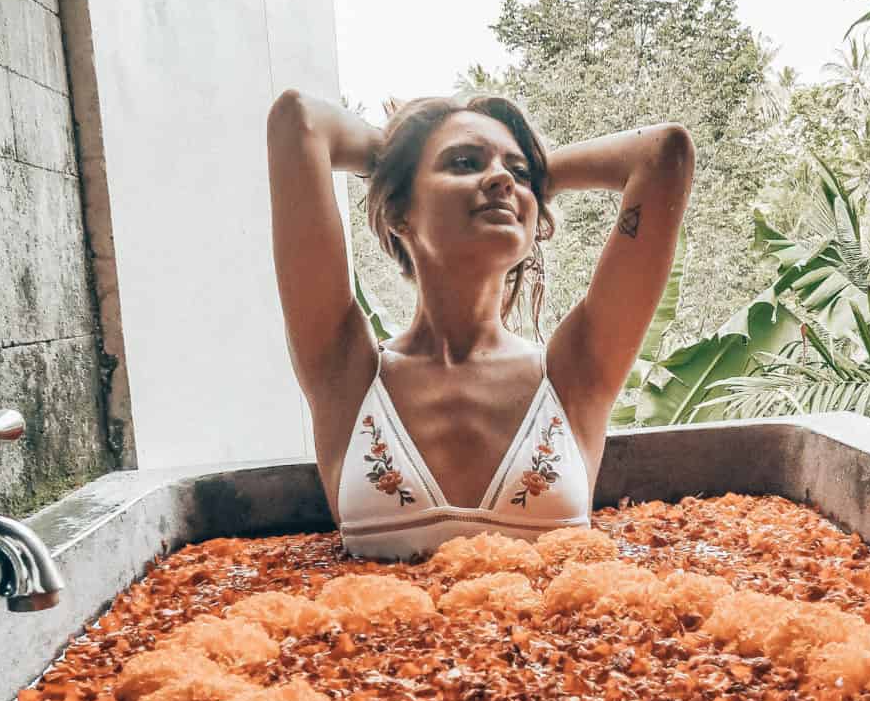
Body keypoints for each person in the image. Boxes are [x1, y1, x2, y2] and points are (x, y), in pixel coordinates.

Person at [266, 89, 695, 559]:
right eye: (465, 162)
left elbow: (663, 154)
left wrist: (522, 180)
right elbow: (299, 121)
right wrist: (395, 164)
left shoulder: (577, 373)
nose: (500, 179)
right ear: (398, 212)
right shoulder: (345, 373)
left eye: (519, 172)